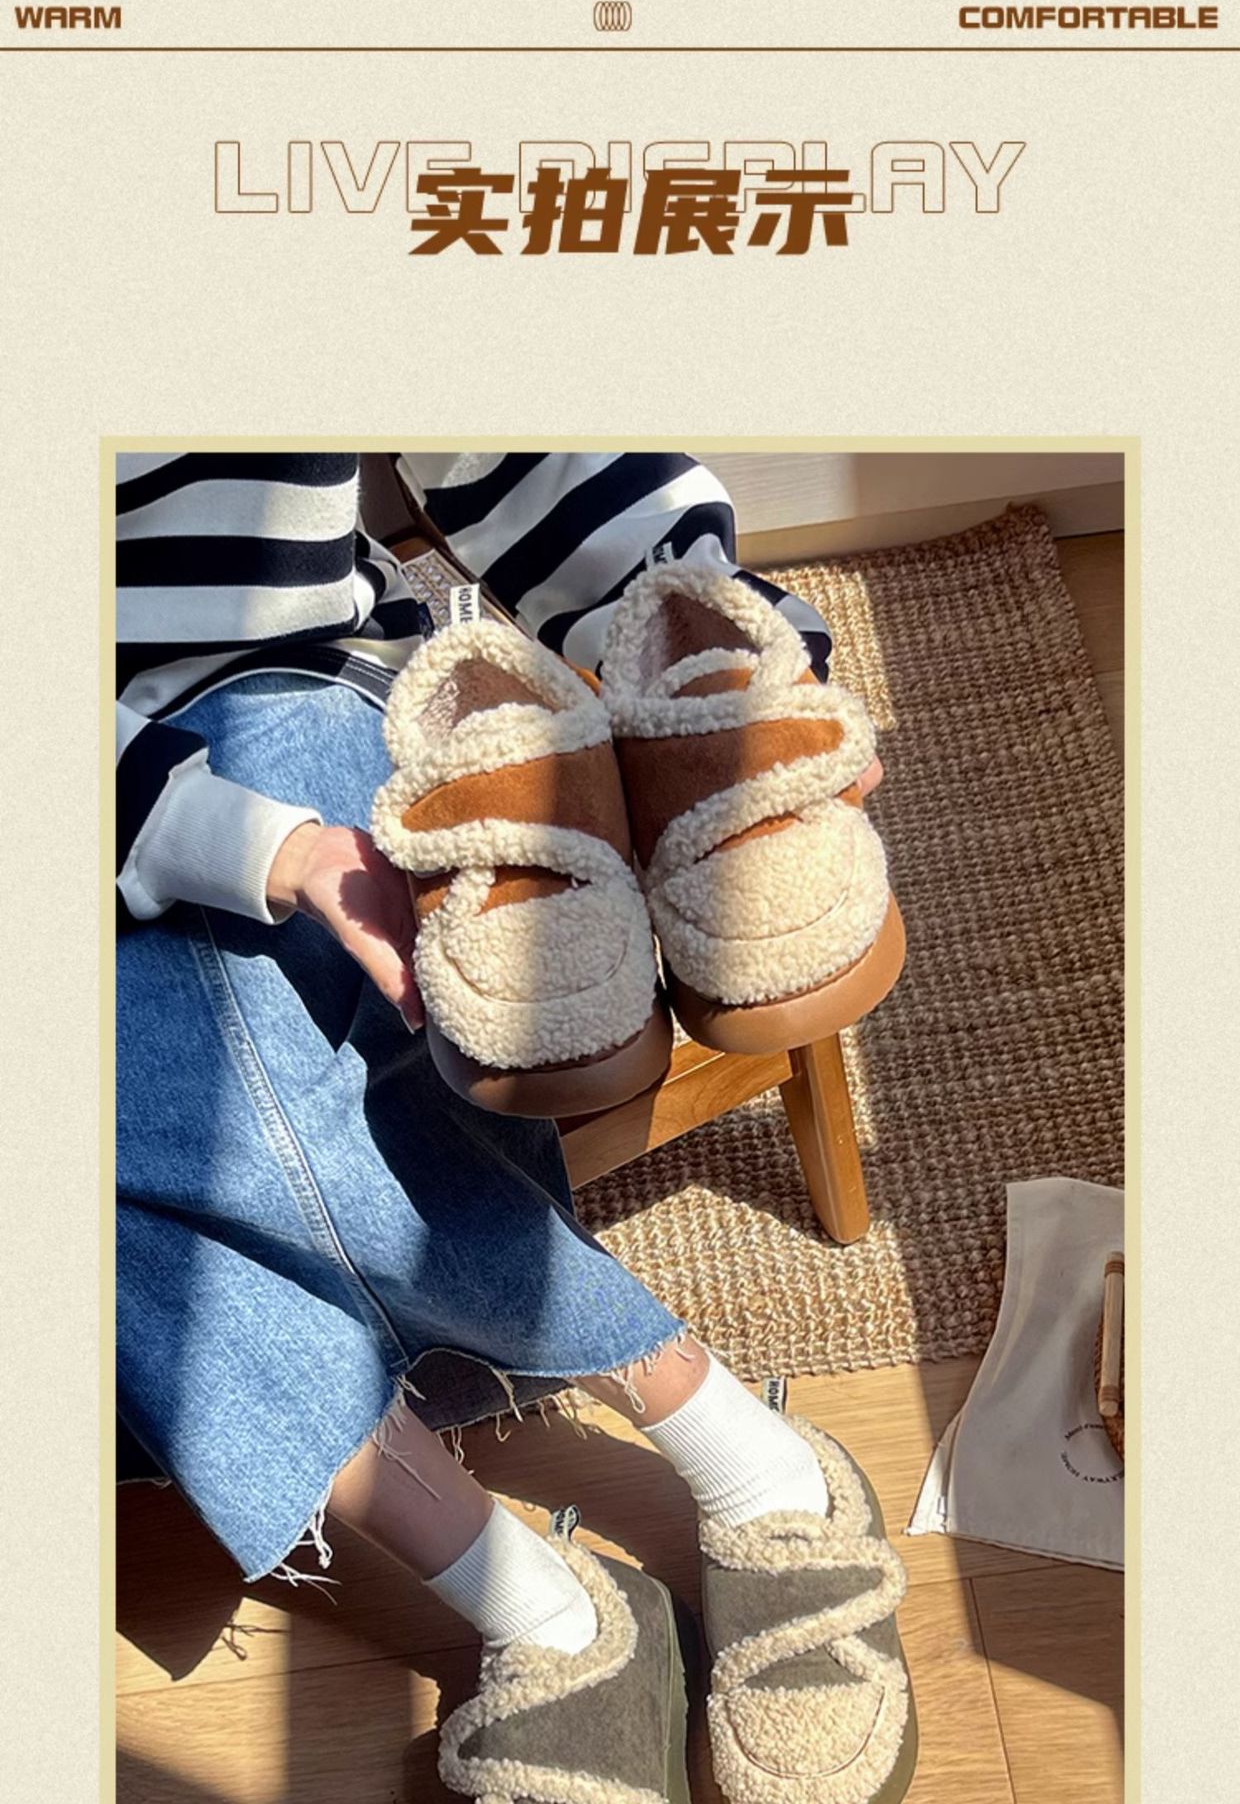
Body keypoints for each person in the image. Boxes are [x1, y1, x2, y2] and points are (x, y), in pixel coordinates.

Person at [117, 451, 910, 1804]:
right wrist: (261, 852)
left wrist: (703, 636)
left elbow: (518, 444)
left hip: (274, 680)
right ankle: (664, 1523)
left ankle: (584, 1583)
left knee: (207, 1078)